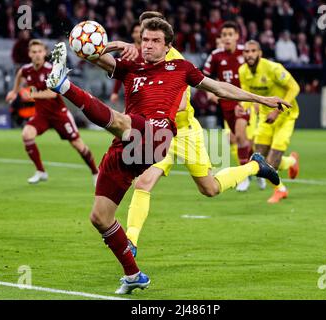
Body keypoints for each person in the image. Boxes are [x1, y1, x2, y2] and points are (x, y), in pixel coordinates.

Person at [46, 18, 291, 294]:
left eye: (154, 41)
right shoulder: (131, 65)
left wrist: (262, 99)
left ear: (168, 46)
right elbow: (90, 53)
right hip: (127, 143)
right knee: (100, 217)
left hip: (158, 136)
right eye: (144, 40)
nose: (148, 45)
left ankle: (63, 87)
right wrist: (118, 44)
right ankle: (133, 274)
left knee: (121, 122)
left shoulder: (181, 67)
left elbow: (220, 88)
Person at [5, 39, 99, 185]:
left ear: (45, 53)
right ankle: (41, 172)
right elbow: (19, 76)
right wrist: (14, 91)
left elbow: (53, 94)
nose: (37, 55)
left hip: (59, 115)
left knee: (78, 145)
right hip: (41, 115)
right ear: (29, 54)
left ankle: (95, 172)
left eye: (40, 52)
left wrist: (30, 94)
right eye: (34, 52)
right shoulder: (26, 70)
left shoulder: (51, 70)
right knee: (26, 134)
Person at [239, 40, 300, 204]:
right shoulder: (243, 71)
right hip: (265, 119)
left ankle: (280, 190)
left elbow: (294, 87)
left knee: (272, 162)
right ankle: (292, 162)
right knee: (259, 160)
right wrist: (242, 107)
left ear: (260, 53)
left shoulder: (274, 68)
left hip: (285, 116)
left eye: (253, 51)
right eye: (246, 51)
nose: (249, 54)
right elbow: (246, 94)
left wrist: (277, 110)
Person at [203, 21, 254, 192]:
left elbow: (257, 71)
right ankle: (257, 166)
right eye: (224, 35)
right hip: (226, 103)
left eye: (230, 34)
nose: (227, 38)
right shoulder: (216, 55)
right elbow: (204, 77)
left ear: (237, 36)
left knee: (239, 136)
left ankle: (244, 176)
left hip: (243, 100)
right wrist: (210, 93)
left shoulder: (245, 53)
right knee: (240, 140)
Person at [109, 22, 142, 104]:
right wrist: (115, 92)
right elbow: (121, 71)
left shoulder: (150, 51)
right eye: (136, 32)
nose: (139, 34)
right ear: (132, 34)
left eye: (141, 32)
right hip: (131, 93)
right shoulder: (128, 50)